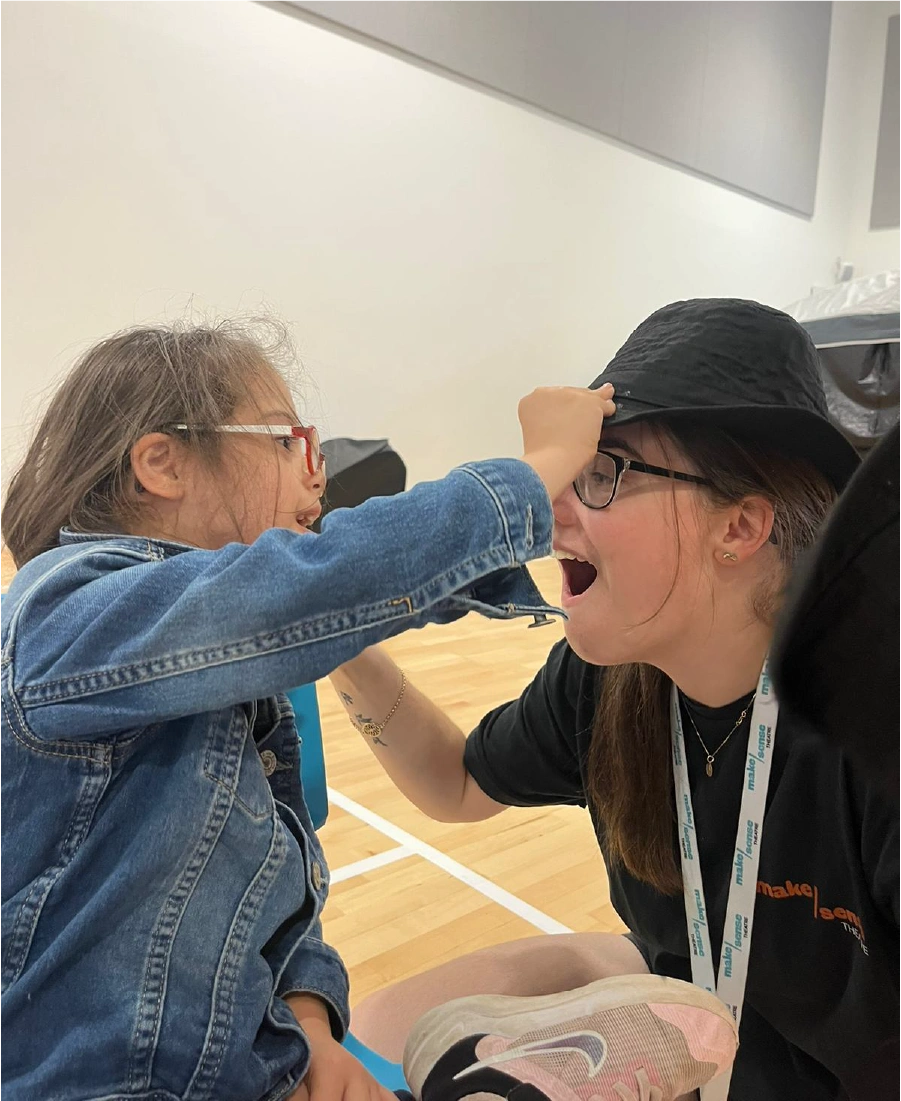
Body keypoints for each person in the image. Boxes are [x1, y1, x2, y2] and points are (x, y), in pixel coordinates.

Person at [0, 318, 632, 1101]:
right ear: (160, 463)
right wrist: (532, 473)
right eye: (286, 440)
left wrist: (307, 1022)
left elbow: (277, 884)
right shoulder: (63, 612)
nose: (317, 475)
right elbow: (310, 582)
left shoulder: (227, 674)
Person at [332, 299, 901, 1100]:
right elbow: (454, 784)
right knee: (377, 1022)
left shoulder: (872, 717)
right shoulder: (610, 680)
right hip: (694, 1015)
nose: (550, 507)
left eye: (601, 473)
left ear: (737, 527)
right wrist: (343, 641)